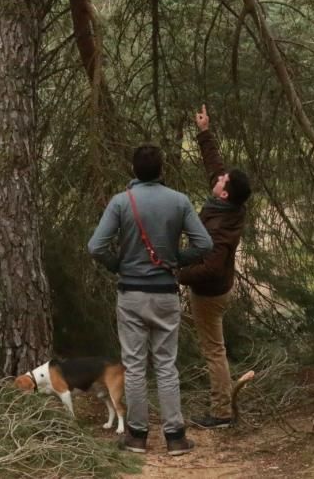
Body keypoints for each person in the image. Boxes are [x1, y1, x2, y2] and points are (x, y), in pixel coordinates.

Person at [88, 144, 212, 456]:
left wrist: (118, 264)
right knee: (166, 365)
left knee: (134, 365)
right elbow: (204, 243)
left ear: (134, 170)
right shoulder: (179, 201)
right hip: (165, 294)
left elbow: (96, 246)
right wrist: (175, 261)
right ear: (161, 171)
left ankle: (137, 436)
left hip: (131, 294)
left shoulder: (120, 202)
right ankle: (175, 437)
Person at [178, 105, 252, 430]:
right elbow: (215, 167)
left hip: (210, 293)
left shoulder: (221, 228)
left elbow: (208, 269)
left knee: (213, 350)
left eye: (222, 180)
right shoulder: (225, 204)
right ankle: (222, 404)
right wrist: (205, 132)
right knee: (214, 347)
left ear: (224, 192)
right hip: (213, 288)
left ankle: (221, 413)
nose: (218, 177)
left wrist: (175, 274)